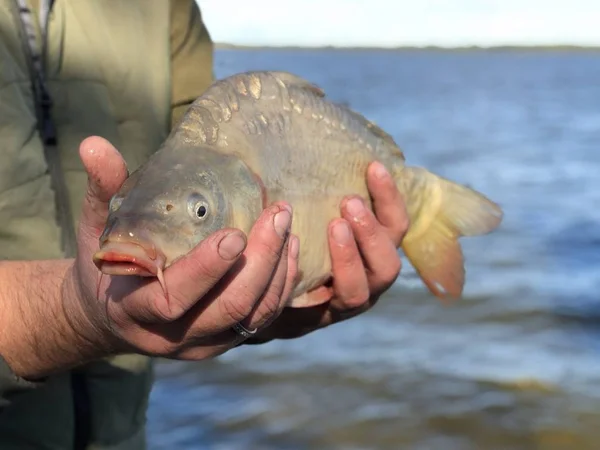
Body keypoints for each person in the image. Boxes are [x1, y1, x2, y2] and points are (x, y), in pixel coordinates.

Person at [0, 0, 408, 449]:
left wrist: (262, 313)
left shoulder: (166, 8)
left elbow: (186, 163)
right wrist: (73, 309)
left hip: (123, 431)